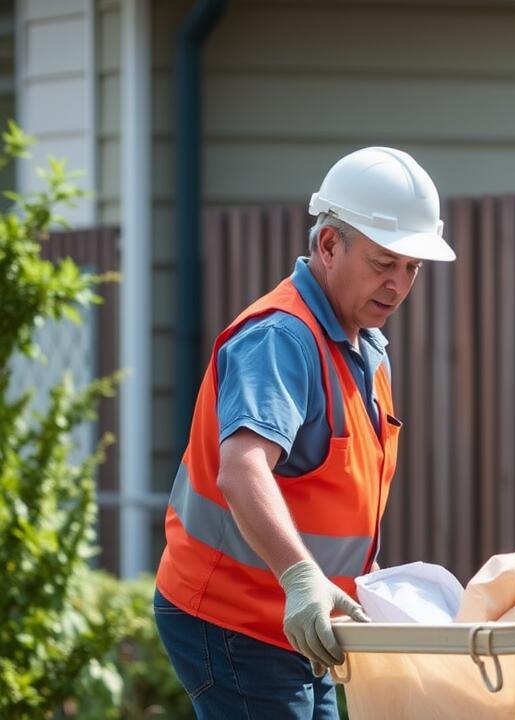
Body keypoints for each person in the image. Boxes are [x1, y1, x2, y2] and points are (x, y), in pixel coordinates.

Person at [153, 147, 455, 718]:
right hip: (233, 617)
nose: (397, 284)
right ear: (329, 245)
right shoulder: (283, 339)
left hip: (299, 618)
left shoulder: (361, 347)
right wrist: (299, 578)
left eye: (411, 269)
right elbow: (242, 468)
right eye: (383, 262)